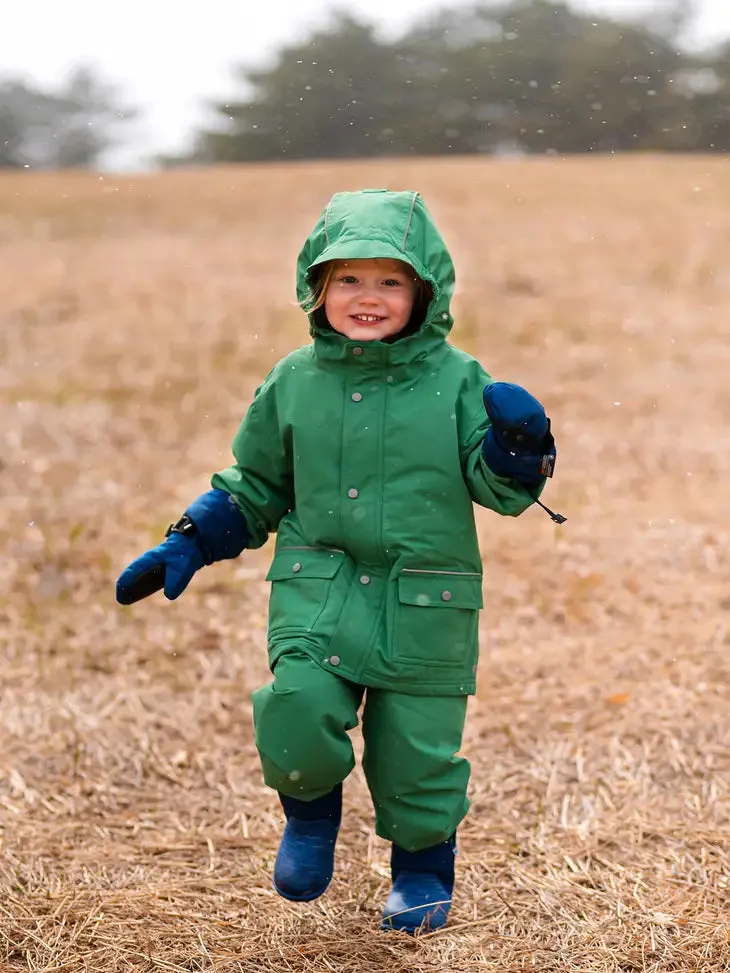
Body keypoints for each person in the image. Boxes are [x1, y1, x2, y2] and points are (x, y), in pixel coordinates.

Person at [116, 189, 560, 934]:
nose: (367, 297)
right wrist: (192, 536)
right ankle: (311, 815)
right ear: (315, 288)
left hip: (426, 597)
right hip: (316, 585)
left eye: (390, 281)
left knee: (417, 753)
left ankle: (420, 869)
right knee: (297, 704)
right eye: (348, 279)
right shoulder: (295, 378)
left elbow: (498, 490)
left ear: (424, 291)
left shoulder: (458, 379)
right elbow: (258, 481)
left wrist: (516, 452)